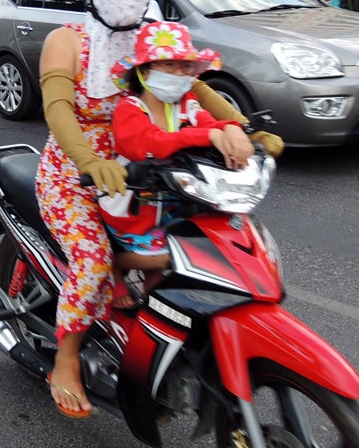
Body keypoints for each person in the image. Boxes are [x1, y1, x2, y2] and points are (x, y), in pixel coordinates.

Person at [34, 0, 283, 417]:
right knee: (94, 260)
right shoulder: (66, 40)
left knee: (195, 244)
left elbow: (198, 90)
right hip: (78, 176)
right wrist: (89, 162)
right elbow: (58, 108)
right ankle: (66, 359)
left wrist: (240, 130)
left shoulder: (155, 37)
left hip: (152, 170)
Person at [102, 21, 254, 302]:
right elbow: (149, 144)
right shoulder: (129, 108)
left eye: (186, 67)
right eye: (169, 65)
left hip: (175, 199)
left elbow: (210, 123)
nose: (180, 73)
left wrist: (231, 129)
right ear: (144, 71)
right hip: (132, 210)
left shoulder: (186, 104)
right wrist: (208, 135)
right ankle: (119, 264)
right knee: (168, 259)